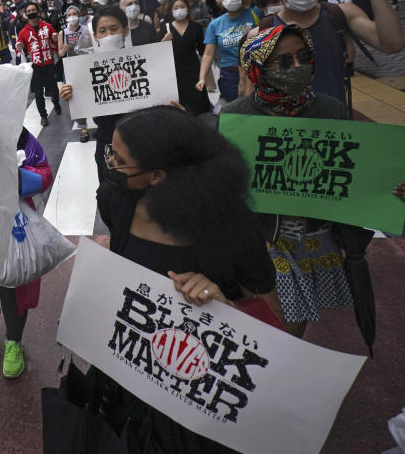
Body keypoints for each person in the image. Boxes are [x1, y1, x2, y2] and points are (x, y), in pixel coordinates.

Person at [94, 105, 280, 453]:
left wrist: (224, 306)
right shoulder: (116, 199)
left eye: (119, 160)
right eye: (109, 153)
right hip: (131, 382)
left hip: (199, 400)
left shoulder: (231, 226)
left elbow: (274, 321)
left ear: (158, 176)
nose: (110, 165)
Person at [222, 26, 405, 338]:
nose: (299, 66)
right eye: (284, 62)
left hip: (314, 237)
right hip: (264, 241)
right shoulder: (235, 118)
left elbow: (354, 173)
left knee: (294, 322)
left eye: (304, 57)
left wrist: (394, 188)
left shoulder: (330, 109)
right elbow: (225, 191)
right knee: (275, 323)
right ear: (256, 69)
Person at [249, 0, 405, 106]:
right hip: (285, 127)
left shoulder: (342, 14)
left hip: (333, 124)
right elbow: (250, 89)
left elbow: (393, 44)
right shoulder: (261, 33)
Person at [0, 127, 53, 379]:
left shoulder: (19, 135)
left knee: (12, 286)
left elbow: (45, 173)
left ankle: (13, 341)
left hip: (11, 228)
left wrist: (16, 178)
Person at [60, 5, 133, 179]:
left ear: (125, 31)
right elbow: (80, 118)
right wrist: (69, 100)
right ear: (96, 37)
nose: (109, 35)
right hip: (107, 143)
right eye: (102, 30)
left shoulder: (144, 61)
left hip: (141, 141)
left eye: (114, 29)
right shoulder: (87, 69)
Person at [197, 0, 258, 107]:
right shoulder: (215, 24)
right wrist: (202, 77)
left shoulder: (254, 14)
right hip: (229, 76)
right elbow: (208, 54)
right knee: (236, 112)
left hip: (254, 72)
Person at [162, 0, 211, 114]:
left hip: (193, 69)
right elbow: (159, 54)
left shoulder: (196, 27)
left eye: (182, 7)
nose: (179, 10)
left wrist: (203, 76)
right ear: (171, 11)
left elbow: (204, 52)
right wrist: (163, 41)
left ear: (188, 9)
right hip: (174, 72)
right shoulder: (166, 28)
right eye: (176, 8)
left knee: (197, 103)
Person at [15, 1, 61, 127]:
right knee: (38, 93)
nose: (31, 13)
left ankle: (56, 103)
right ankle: (43, 116)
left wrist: (55, 38)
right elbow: (18, 48)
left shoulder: (48, 26)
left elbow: (55, 39)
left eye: (33, 10)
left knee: (54, 89)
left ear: (39, 12)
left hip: (49, 63)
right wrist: (19, 46)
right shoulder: (23, 32)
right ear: (25, 14)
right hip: (35, 66)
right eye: (28, 11)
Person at [57, 5, 95, 142]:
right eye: (69, 14)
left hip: (86, 65)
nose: (72, 16)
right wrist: (64, 49)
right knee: (74, 99)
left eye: (75, 13)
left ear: (79, 16)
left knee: (93, 93)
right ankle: (83, 128)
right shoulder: (63, 33)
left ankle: (100, 122)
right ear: (66, 17)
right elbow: (60, 53)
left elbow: (94, 46)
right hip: (70, 68)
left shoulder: (87, 30)